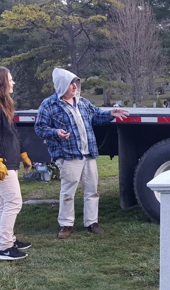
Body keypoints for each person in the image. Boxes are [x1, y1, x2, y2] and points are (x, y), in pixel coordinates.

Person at [34, 68, 129, 239]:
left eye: (76, 83)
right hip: (68, 155)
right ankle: (66, 225)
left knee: (92, 190)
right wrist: (56, 133)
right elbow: (40, 128)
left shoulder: (82, 102)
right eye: (71, 83)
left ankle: (92, 222)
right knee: (68, 192)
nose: (74, 87)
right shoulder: (48, 104)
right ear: (62, 85)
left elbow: (96, 116)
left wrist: (110, 114)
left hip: (89, 154)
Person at [0, 66, 32, 260]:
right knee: (13, 202)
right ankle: (4, 247)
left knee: (4, 202)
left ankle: (8, 239)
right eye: (10, 79)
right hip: (3, 164)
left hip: (10, 160)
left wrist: (23, 154)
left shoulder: (5, 104)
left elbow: (12, 134)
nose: (13, 82)